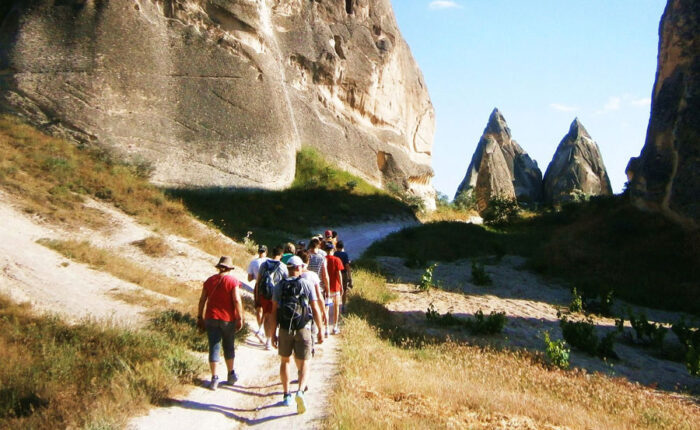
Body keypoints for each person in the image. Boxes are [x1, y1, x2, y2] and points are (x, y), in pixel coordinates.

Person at [271, 256, 325, 414]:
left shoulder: (279, 285)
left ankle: (286, 395)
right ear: (300, 268)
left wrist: (273, 333)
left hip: (284, 328)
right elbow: (315, 308)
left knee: (285, 361)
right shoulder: (306, 283)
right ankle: (300, 391)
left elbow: (273, 311)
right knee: (305, 362)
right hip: (303, 328)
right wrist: (321, 329)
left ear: (288, 268)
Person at [197, 256, 245, 390]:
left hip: (211, 317)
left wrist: (200, 316)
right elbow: (236, 300)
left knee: (214, 346)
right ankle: (231, 374)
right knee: (228, 345)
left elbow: (202, 300)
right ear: (230, 268)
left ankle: (214, 378)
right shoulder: (232, 281)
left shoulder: (209, 281)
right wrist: (240, 317)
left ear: (219, 268)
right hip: (227, 319)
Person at [256, 245, 288, 350]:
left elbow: (258, 281)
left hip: (264, 294)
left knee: (266, 315)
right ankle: (272, 338)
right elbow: (287, 283)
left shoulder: (264, 265)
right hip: (276, 295)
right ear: (281, 255)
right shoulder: (283, 267)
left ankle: (268, 340)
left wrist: (257, 295)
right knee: (274, 316)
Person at [306, 238, 330, 335]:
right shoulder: (321, 258)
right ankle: (324, 329)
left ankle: (310, 329)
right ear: (318, 246)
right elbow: (325, 275)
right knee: (320, 310)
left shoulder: (306, 257)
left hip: (306, 287)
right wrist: (328, 289)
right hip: (319, 288)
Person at [299, 250, 326, 336]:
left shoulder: (291, 275)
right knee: (311, 335)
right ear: (308, 261)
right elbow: (319, 296)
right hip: (309, 311)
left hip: (294, 311)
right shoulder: (312, 276)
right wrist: (324, 312)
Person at [247, 244, 269, 342]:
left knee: (259, 308)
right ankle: (263, 329)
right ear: (266, 252)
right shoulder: (270, 261)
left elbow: (249, 278)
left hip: (258, 285)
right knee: (267, 309)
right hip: (269, 286)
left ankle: (260, 328)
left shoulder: (253, 262)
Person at [324, 241, 344, 334]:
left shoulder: (323, 259)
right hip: (335, 286)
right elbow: (338, 274)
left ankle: (326, 328)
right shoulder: (337, 260)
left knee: (326, 308)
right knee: (336, 307)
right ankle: (335, 326)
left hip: (326, 288)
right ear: (333, 249)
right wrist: (342, 286)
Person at [334, 241, 353, 311]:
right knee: (344, 290)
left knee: (337, 289)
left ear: (336, 247)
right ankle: (343, 305)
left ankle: (336, 305)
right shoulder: (345, 254)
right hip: (343, 273)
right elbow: (347, 266)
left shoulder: (335, 254)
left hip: (336, 273)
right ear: (343, 247)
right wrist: (350, 277)